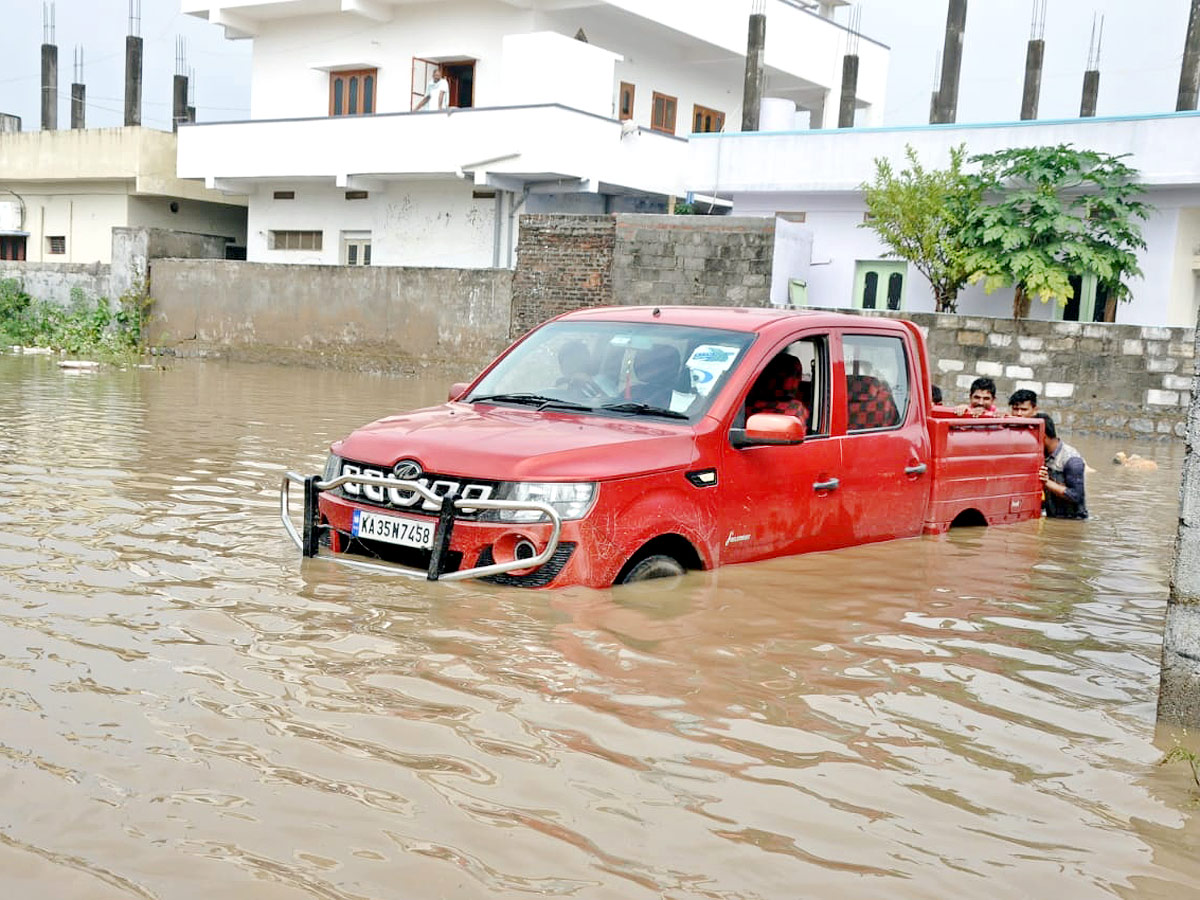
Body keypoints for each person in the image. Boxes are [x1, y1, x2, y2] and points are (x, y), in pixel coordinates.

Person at [1035, 412, 1088, 519]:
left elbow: (1076, 495)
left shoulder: (1071, 460)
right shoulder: (1041, 455)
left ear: (1042, 436)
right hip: (1052, 517)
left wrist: (1046, 482)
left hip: (1073, 522)